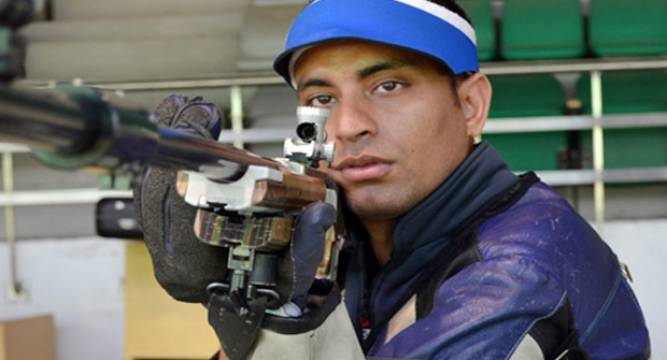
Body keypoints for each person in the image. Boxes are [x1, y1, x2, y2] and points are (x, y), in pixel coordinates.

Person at [135, 0, 651, 359]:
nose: (347, 124)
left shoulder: (518, 265)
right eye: (321, 98)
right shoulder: (341, 234)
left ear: (470, 105)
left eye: (388, 85)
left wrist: (279, 314)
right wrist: (243, 293)